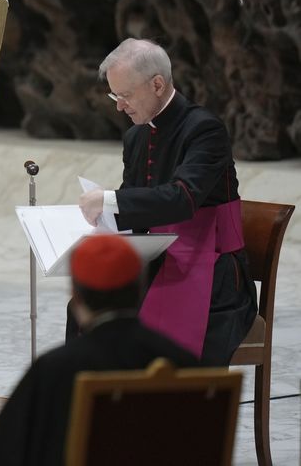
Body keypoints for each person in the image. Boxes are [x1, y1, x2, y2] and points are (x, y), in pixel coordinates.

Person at [76, 38, 257, 365]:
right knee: (90, 311)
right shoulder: (136, 135)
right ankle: (99, 407)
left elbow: (182, 198)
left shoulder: (205, 129)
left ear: (157, 84)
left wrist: (108, 200)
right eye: (114, 95)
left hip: (214, 274)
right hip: (157, 259)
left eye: (125, 95)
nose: (119, 105)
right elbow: (134, 208)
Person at [0, 235, 199, 466]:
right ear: (139, 287)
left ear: (76, 296)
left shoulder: (54, 370)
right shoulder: (185, 364)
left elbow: (2, 449)